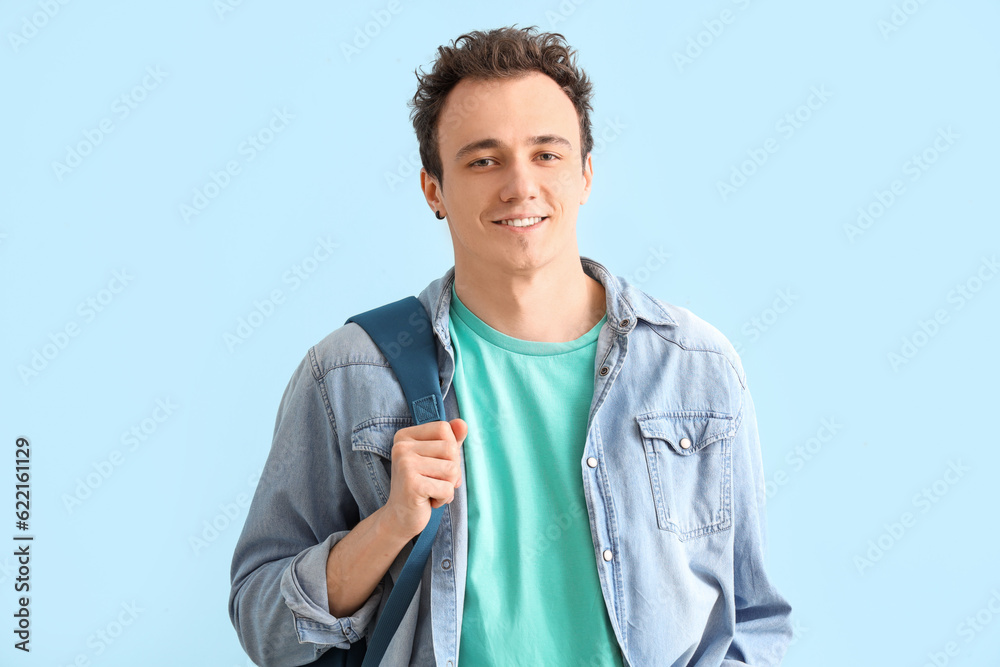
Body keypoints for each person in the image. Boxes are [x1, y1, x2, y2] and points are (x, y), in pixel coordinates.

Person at [229, 24, 793, 666]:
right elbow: (263, 624)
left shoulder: (695, 366)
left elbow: (752, 617)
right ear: (433, 189)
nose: (519, 185)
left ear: (585, 174)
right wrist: (389, 527)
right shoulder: (350, 374)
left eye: (547, 154)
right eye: (483, 159)